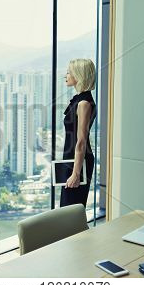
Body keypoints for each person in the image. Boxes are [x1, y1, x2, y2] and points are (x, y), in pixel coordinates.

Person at [61, 58, 97, 207]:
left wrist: (76, 173)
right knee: (69, 210)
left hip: (79, 162)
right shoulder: (81, 100)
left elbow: (81, 141)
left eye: (69, 72)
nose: (66, 75)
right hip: (73, 159)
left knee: (70, 211)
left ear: (79, 75)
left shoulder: (83, 104)